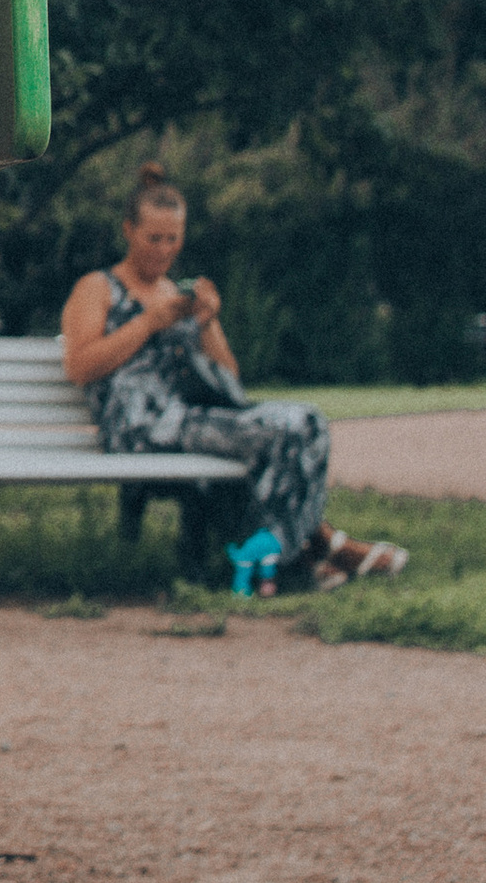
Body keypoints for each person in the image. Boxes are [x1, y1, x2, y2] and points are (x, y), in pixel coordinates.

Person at [61, 163, 407, 590]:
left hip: (190, 418)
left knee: (308, 423)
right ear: (128, 231)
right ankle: (311, 552)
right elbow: (80, 366)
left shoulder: (174, 293)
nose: (164, 250)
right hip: (139, 426)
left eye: (173, 238)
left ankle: (287, 555)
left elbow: (228, 378)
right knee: (289, 432)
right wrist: (148, 323)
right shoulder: (98, 287)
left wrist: (208, 321)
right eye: (154, 238)